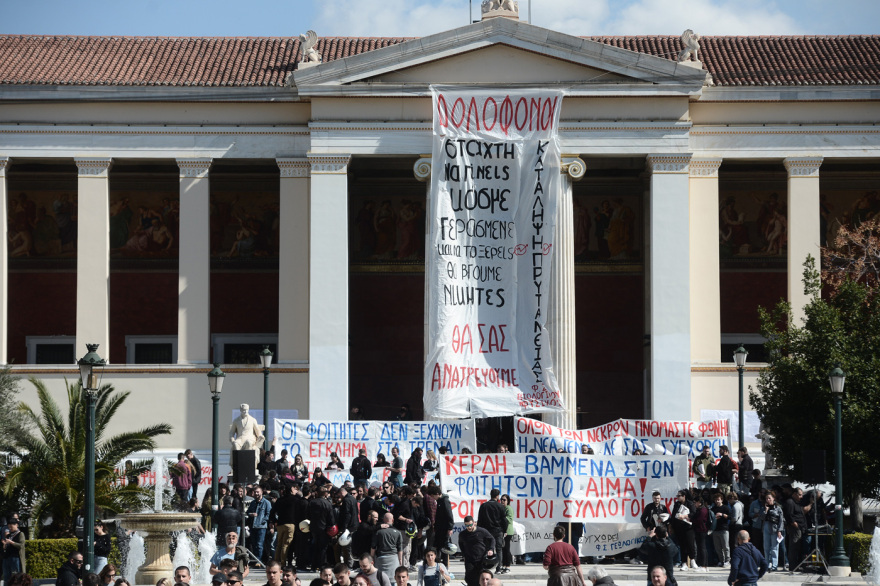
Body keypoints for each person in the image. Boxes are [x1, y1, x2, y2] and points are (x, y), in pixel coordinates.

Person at [458, 515, 495, 586]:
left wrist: (491, 549)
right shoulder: (463, 534)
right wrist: (464, 554)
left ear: (474, 523)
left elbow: (492, 539)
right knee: (469, 578)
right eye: (466, 525)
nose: (469, 527)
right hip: (469, 559)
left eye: (470, 525)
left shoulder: (481, 531)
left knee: (481, 578)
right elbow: (461, 544)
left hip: (481, 558)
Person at [477, 489, 507, 574]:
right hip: (498, 531)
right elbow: (504, 520)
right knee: (499, 549)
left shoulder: (484, 506)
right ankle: (499, 567)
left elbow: (480, 520)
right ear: (497, 496)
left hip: (486, 531)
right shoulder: (500, 506)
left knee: (486, 549)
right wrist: (505, 530)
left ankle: (486, 566)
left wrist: (479, 531)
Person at [783, 487, 811, 570]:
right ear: (794, 494)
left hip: (801, 528)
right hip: (795, 529)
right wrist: (795, 524)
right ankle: (793, 566)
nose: (801, 497)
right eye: (799, 495)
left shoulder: (798, 503)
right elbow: (789, 515)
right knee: (794, 547)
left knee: (798, 547)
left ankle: (797, 565)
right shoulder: (790, 502)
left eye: (802, 495)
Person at [372, 513, 403, 578]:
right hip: (393, 558)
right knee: (393, 580)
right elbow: (400, 548)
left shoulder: (378, 532)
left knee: (381, 580)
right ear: (393, 520)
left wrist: (372, 557)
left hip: (381, 559)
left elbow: (373, 547)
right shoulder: (398, 532)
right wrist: (400, 559)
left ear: (383, 520)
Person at [248, 486, 273, 561]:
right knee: (254, 544)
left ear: (261, 492)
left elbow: (269, 514)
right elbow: (248, 512)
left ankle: (259, 560)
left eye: (258, 492)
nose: (256, 493)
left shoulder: (266, 502)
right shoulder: (252, 502)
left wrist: (263, 521)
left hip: (261, 527)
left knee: (259, 544)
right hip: (253, 526)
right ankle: (255, 559)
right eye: (255, 492)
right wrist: (251, 514)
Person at [760, 492, 784, 571]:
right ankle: (767, 564)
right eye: (767, 498)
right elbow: (762, 518)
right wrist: (766, 511)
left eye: (769, 498)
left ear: (773, 498)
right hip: (766, 527)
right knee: (766, 547)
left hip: (774, 528)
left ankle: (774, 565)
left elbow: (781, 520)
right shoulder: (764, 507)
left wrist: (779, 530)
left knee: (774, 548)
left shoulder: (778, 508)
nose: (768, 500)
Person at [711, 493, 732, 567]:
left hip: (724, 529)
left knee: (725, 546)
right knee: (718, 547)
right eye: (716, 500)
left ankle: (727, 561)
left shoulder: (725, 508)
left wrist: (722, 515)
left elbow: (730, 517)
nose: (717, 501)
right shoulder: (713, 509)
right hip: (715, 529)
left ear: (722, 500)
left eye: (718, 500)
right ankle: (721, 560)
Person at [3, 517, 25, 581]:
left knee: (16, 576)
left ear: (16, 525)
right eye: (9, 527)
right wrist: (5, 545)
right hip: (7, 557)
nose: (10, 528)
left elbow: (21, 545)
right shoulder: (8, 535)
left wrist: (11, 542)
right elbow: (6, 547)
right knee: (7, 576)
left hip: (15, 557)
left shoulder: (20, 534)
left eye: (11, 527)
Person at [500, 495, 514, 574]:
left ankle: (507, 565)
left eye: (504, 500)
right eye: (501, 499)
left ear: (508, 501)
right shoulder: (503, 508)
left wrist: (500, 519)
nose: (502, 501)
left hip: (508, 531)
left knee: (506, 549)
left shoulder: (508, 508)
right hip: (503, 531)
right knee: (503, 549)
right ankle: (504, 565)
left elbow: (509, 519)